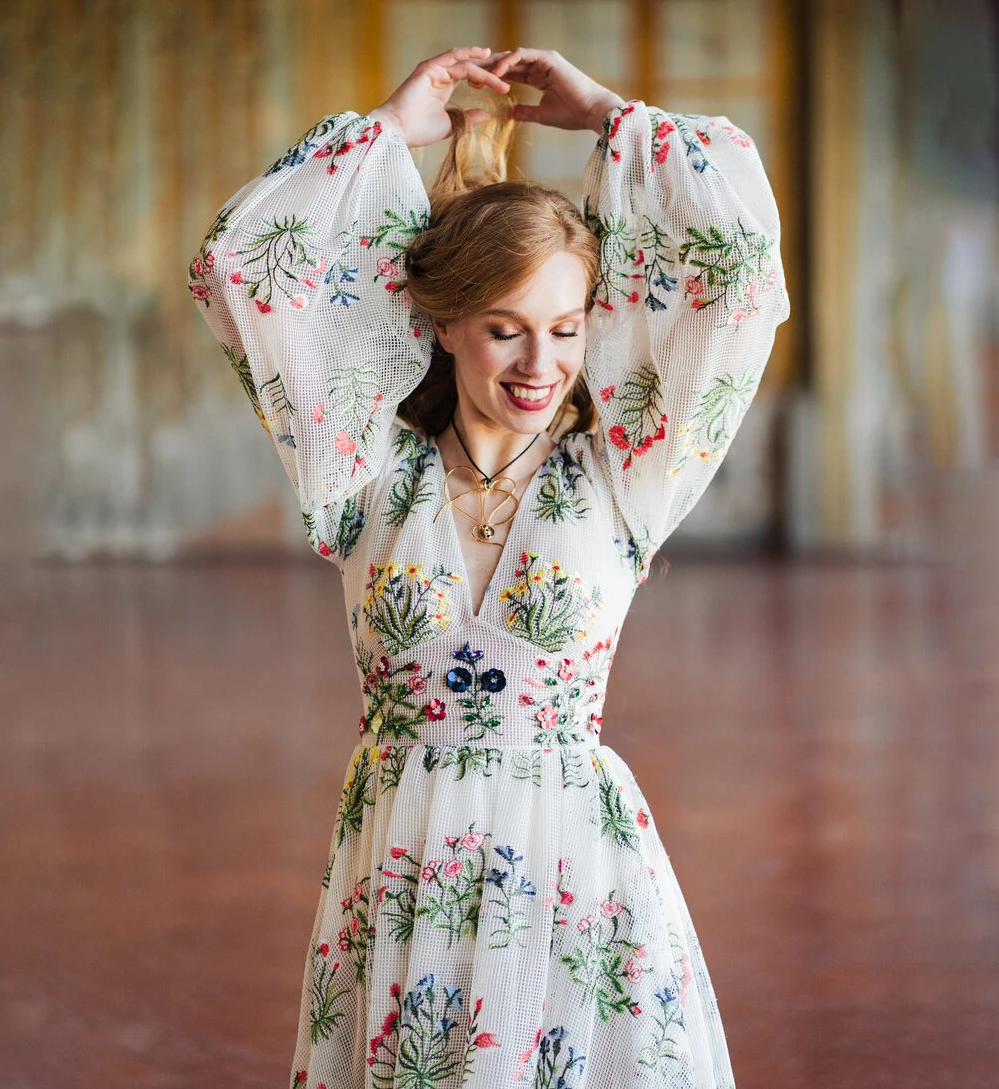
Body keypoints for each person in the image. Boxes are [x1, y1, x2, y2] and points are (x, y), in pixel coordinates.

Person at [189, 44, 789, 1089]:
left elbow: (740, 269)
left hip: (574, 876)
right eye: (505, 330)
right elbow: (238, 266)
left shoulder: (626, 473)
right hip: (403, 868)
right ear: (443, 325)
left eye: (565, 330)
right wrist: (388, 127)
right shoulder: (361, 471)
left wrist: (607, 115)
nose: (540, 364)